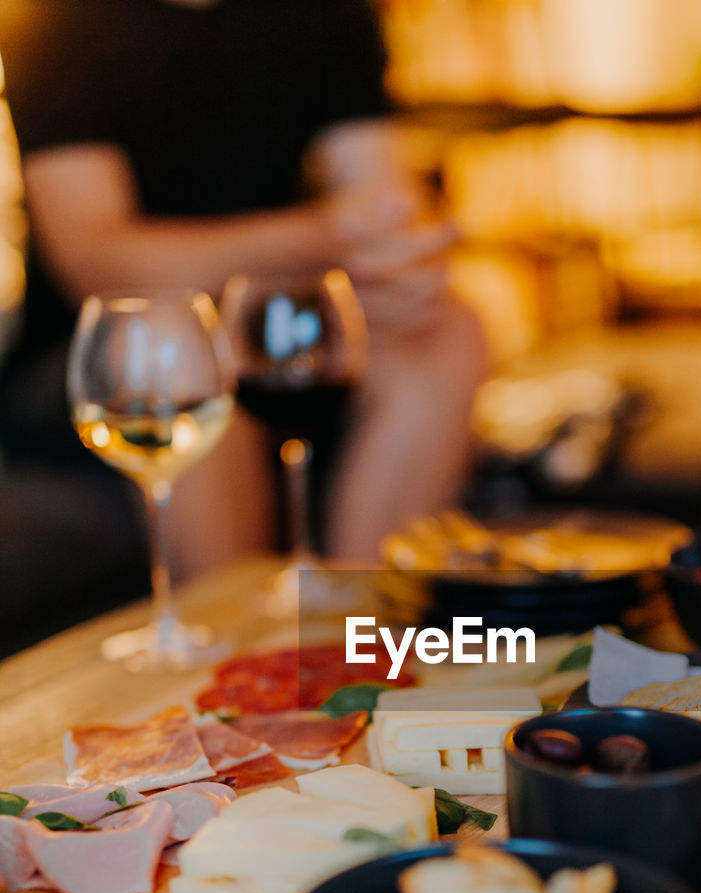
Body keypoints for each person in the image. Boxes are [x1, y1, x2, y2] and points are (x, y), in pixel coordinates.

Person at [0, 0, 485, 569]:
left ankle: (361, 620)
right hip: (93, 354)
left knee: (449, 328)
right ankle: (237, 629)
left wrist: (407, 265)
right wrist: (327, 235)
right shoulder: (57, 23)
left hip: (271, 315)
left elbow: (383, 202)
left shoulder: (333, 14)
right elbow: (102, 264)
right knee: (177, 338)